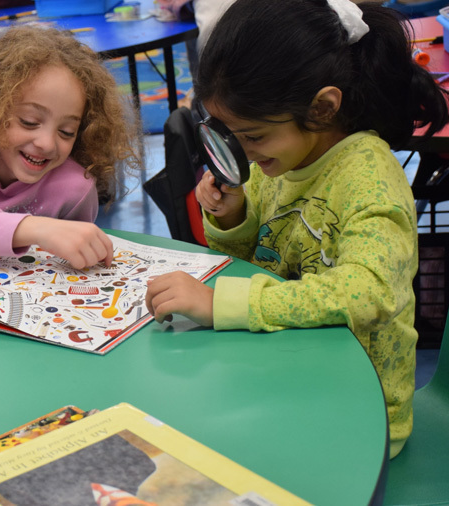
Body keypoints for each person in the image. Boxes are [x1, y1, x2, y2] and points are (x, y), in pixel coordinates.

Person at [144, 0, 449, 458]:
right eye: (231, 135)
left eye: (254, 136)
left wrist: (219, 302)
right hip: (282, 369)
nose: (244, 156)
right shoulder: (280, 161)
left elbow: (369, 293)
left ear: (323, 108)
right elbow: (256, 262)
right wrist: (234, 217)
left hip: (357, 413)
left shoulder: (369, 177)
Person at [0, 25, 143, 270]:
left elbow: (75, 266)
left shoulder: (76, 190)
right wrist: (36, 228)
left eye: (66, 132)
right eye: (29, 122)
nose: (47, 143)